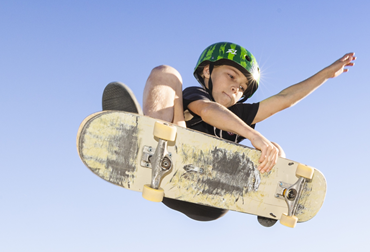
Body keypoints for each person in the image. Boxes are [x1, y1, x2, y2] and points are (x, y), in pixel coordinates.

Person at [101, 43, 356, 226]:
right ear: (207, 72)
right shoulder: (196, 96)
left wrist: (326, 74)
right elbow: (207, 110)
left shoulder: (238, 113)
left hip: (214, 199)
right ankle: (150, 140)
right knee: (166, 72)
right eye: (231, 76)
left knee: (275, 149)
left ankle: (272, 201)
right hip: (169, 176)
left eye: (242, 87)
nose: (237, 87)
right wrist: (252, 135)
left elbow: (284, 99)